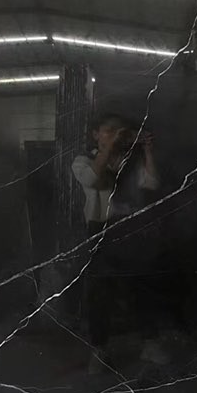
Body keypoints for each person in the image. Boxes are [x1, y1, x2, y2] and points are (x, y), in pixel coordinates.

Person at [72, 114, 162, 368]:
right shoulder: (83, 161)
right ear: (95, 134)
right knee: (100, 292)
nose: (115, 135)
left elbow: (151, 183)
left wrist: (147, 150)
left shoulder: (130, 159)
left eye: (119, 131)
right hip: (100, 230)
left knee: (140, 286)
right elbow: (92, 179)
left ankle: (150, 344)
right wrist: (110, 147)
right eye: (109, 130)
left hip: (130, 227)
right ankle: (99, 350)